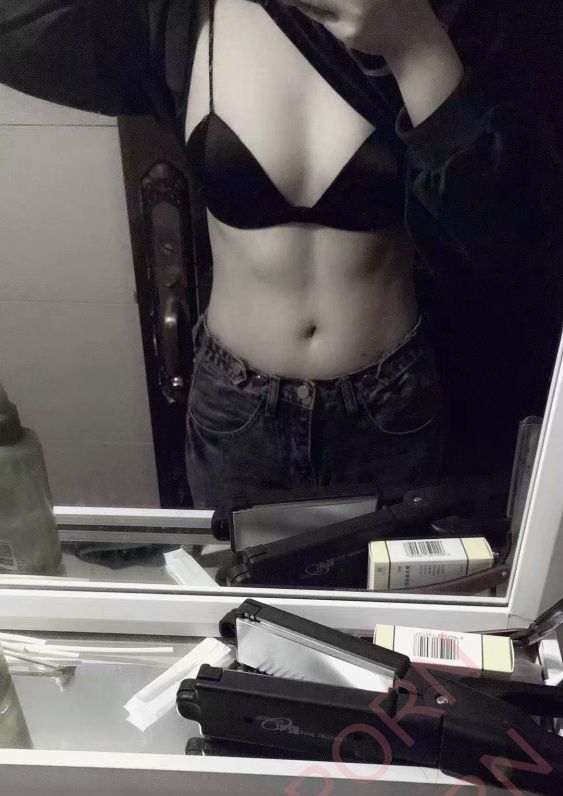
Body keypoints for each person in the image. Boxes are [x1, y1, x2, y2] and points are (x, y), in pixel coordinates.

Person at [1, 0, 561, 507]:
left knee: (390, 590)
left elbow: (508, 246)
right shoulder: (182, 17)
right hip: (237, 411)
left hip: (389, 406)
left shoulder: (443, 18)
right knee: (238, 590)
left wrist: (414, 43)